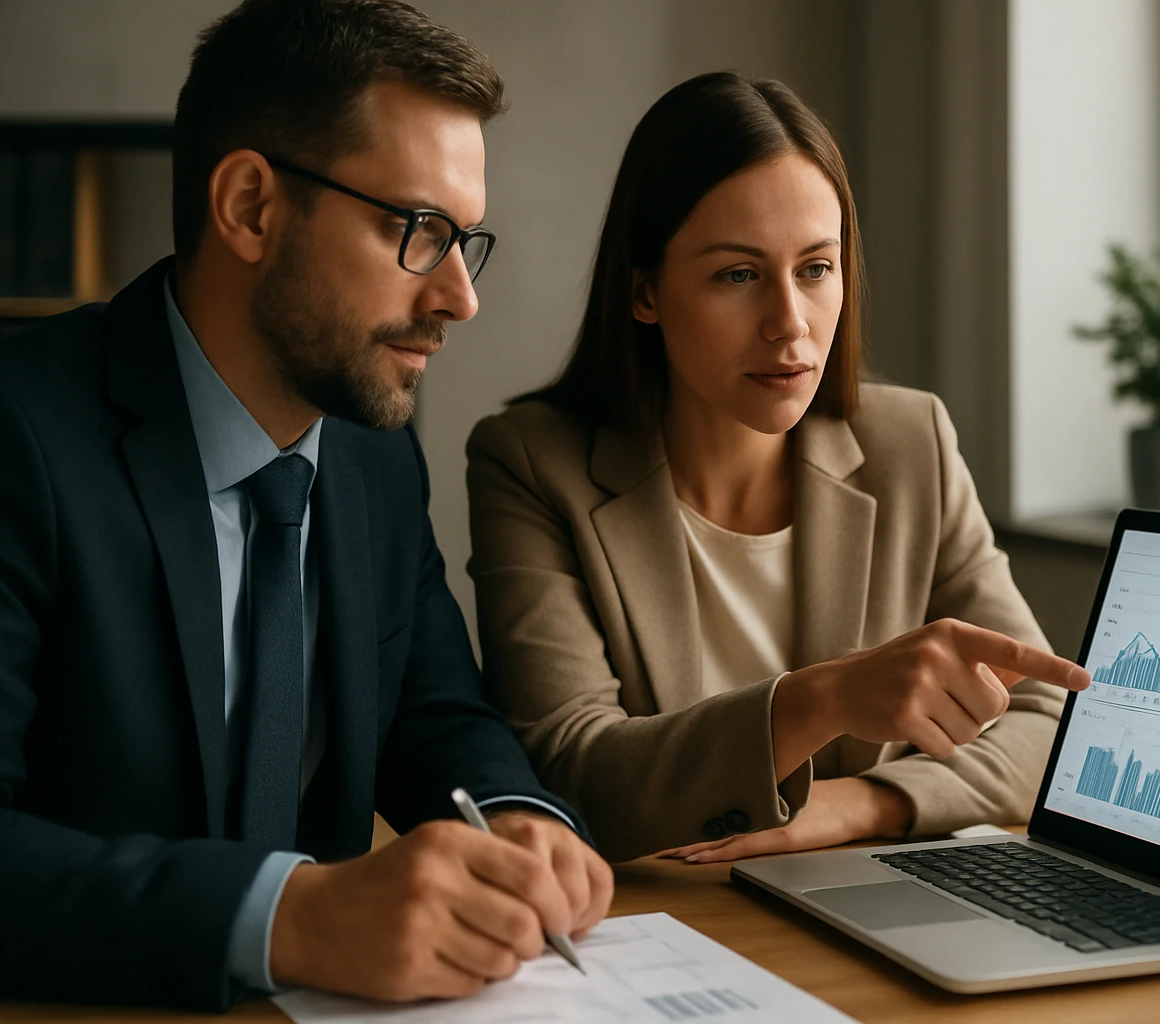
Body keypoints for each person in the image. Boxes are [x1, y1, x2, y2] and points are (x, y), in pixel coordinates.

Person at [0, 0, 611, 1011]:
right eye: (417, 230)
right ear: (249, 207)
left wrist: (514, 817)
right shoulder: (17, 435)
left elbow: (431, 709)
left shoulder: (373, 447)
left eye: (467, 240)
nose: (460, 296)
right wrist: (290, 916)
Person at [465, 72, 1092, 866]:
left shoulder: (911, 443)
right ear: (646, 291)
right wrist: (826, 698)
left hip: (861, 909)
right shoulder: (530, 462)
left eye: (816, 268)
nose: (789, 324)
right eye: (738, 274)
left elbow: (1046, 722)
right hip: (659, 929)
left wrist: (862, 803)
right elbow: (571, 768)